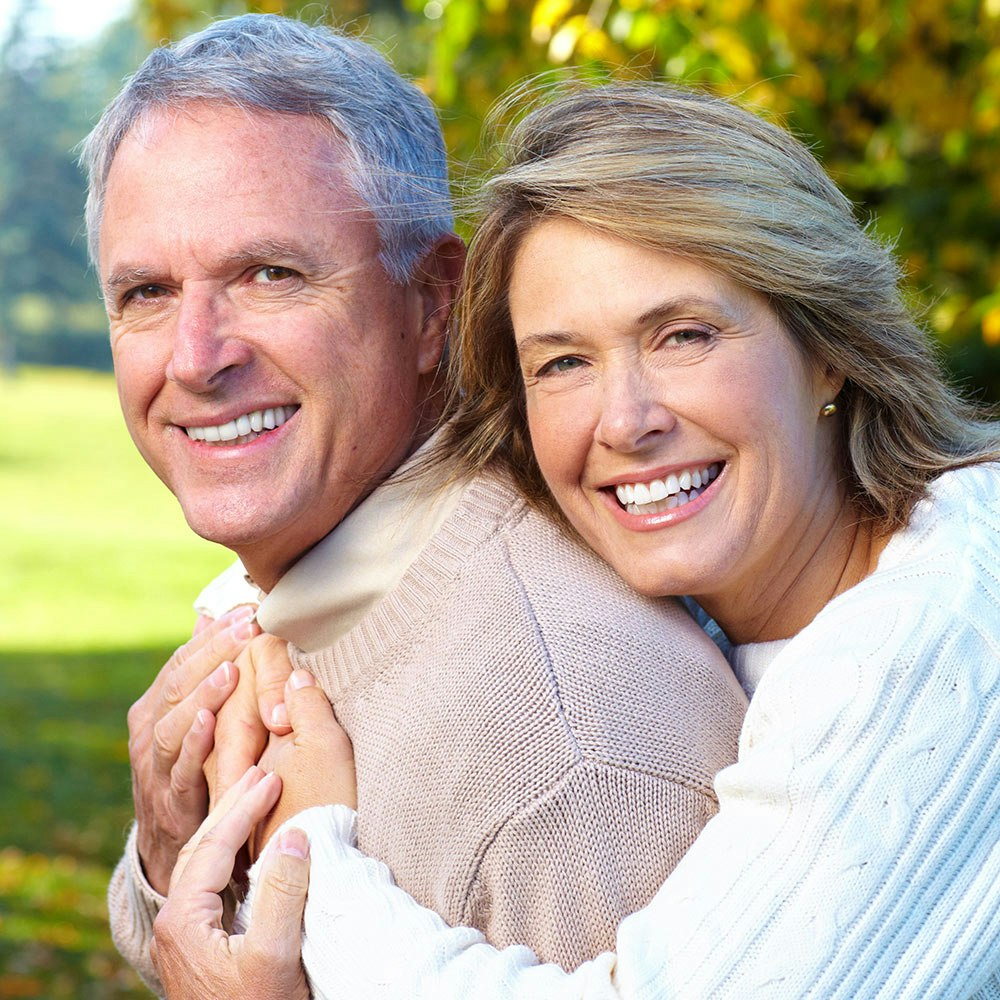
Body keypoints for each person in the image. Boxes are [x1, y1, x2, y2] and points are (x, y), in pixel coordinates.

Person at [155, 81, 1000, 999]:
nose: (625, 421)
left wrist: (315, 863)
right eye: (562, 363)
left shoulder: (945, 627)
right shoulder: (720, 606)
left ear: (825, 341)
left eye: (683, 336)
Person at [82, 20, 748, 995]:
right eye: (146, 291)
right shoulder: (309, 584)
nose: (194, 356)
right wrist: (171, 852)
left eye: (270, 274)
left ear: (435, 301)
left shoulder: (572, 752)